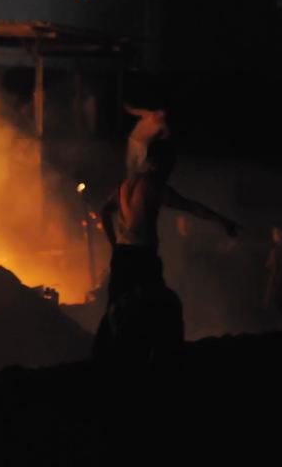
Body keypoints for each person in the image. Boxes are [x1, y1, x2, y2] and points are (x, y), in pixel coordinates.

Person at [94, 135, 240, 367]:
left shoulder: (125, 185)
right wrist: (222, 220)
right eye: (169, 164)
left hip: (122, 255)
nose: (170, 171)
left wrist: (114, 245)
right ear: (156, 162)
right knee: (159, 308)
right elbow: (190, 206)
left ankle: (105, 359)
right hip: (143, 258)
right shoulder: (154, 185)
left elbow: (105, 211)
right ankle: (158, 363)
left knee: (115, 308)